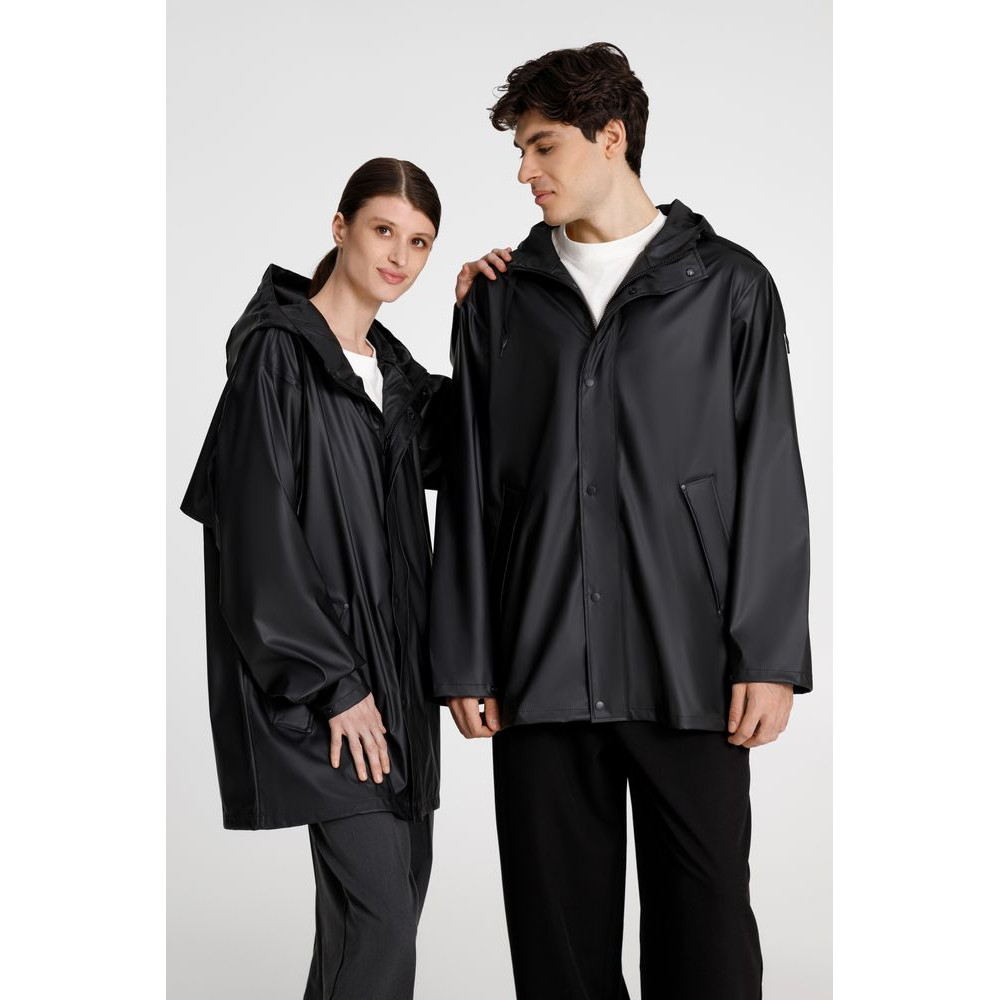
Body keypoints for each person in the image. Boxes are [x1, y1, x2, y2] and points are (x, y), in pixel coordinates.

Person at [431, 43, 812, 999]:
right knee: (559, 959)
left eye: (543, 146)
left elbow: (770, 472)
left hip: (691, 671)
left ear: (612, 138)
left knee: (709, 948)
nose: (525, 172)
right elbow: (472, 486)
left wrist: (768, 655)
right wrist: (466, 658)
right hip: (540, 670)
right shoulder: (498, 300)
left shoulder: (729, 286)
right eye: (520, 151)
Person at [181, 157, 448, 1000]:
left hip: (397, 693)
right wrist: (333, 684)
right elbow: (255, 538)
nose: (399, 256)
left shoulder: (393, 375)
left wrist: (494, 310)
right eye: (383, 230)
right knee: (379, 925)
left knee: (378, 922)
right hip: (329, 694)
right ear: (340, 228)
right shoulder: (279, 356)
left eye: (420, 242)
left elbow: (482, 438)